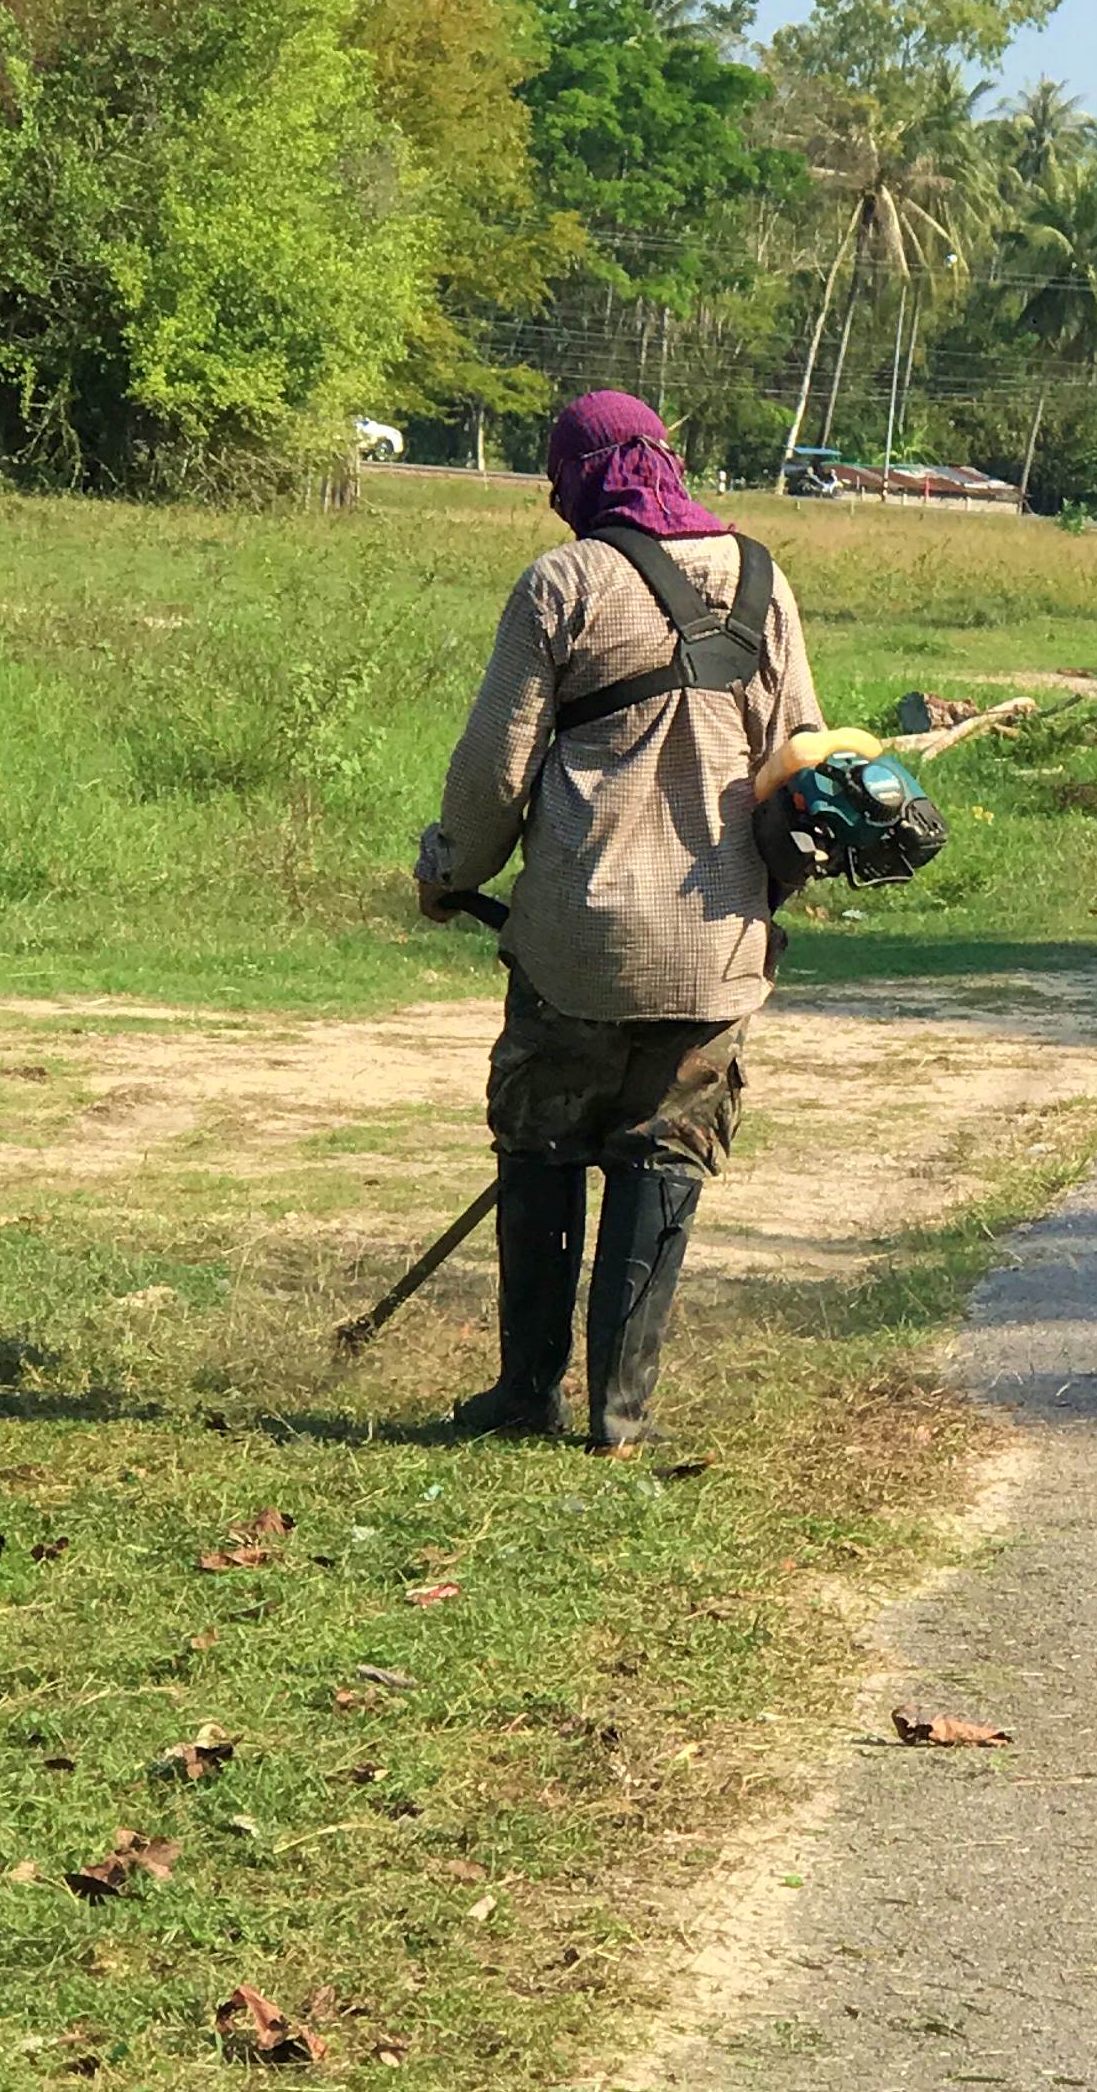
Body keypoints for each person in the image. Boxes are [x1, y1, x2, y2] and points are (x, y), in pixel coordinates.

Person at [417, 393, 822, 1455]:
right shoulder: (762, 580)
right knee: (664, 1160)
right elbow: (802, 756)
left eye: (558, 473)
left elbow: (493, 770)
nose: (555, 493)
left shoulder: (564, 582)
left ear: (581, 476)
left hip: (573, 939)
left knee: (542, 1144)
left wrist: (449, 867)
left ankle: (524, 1392)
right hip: (717, 948)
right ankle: (620, 1415)